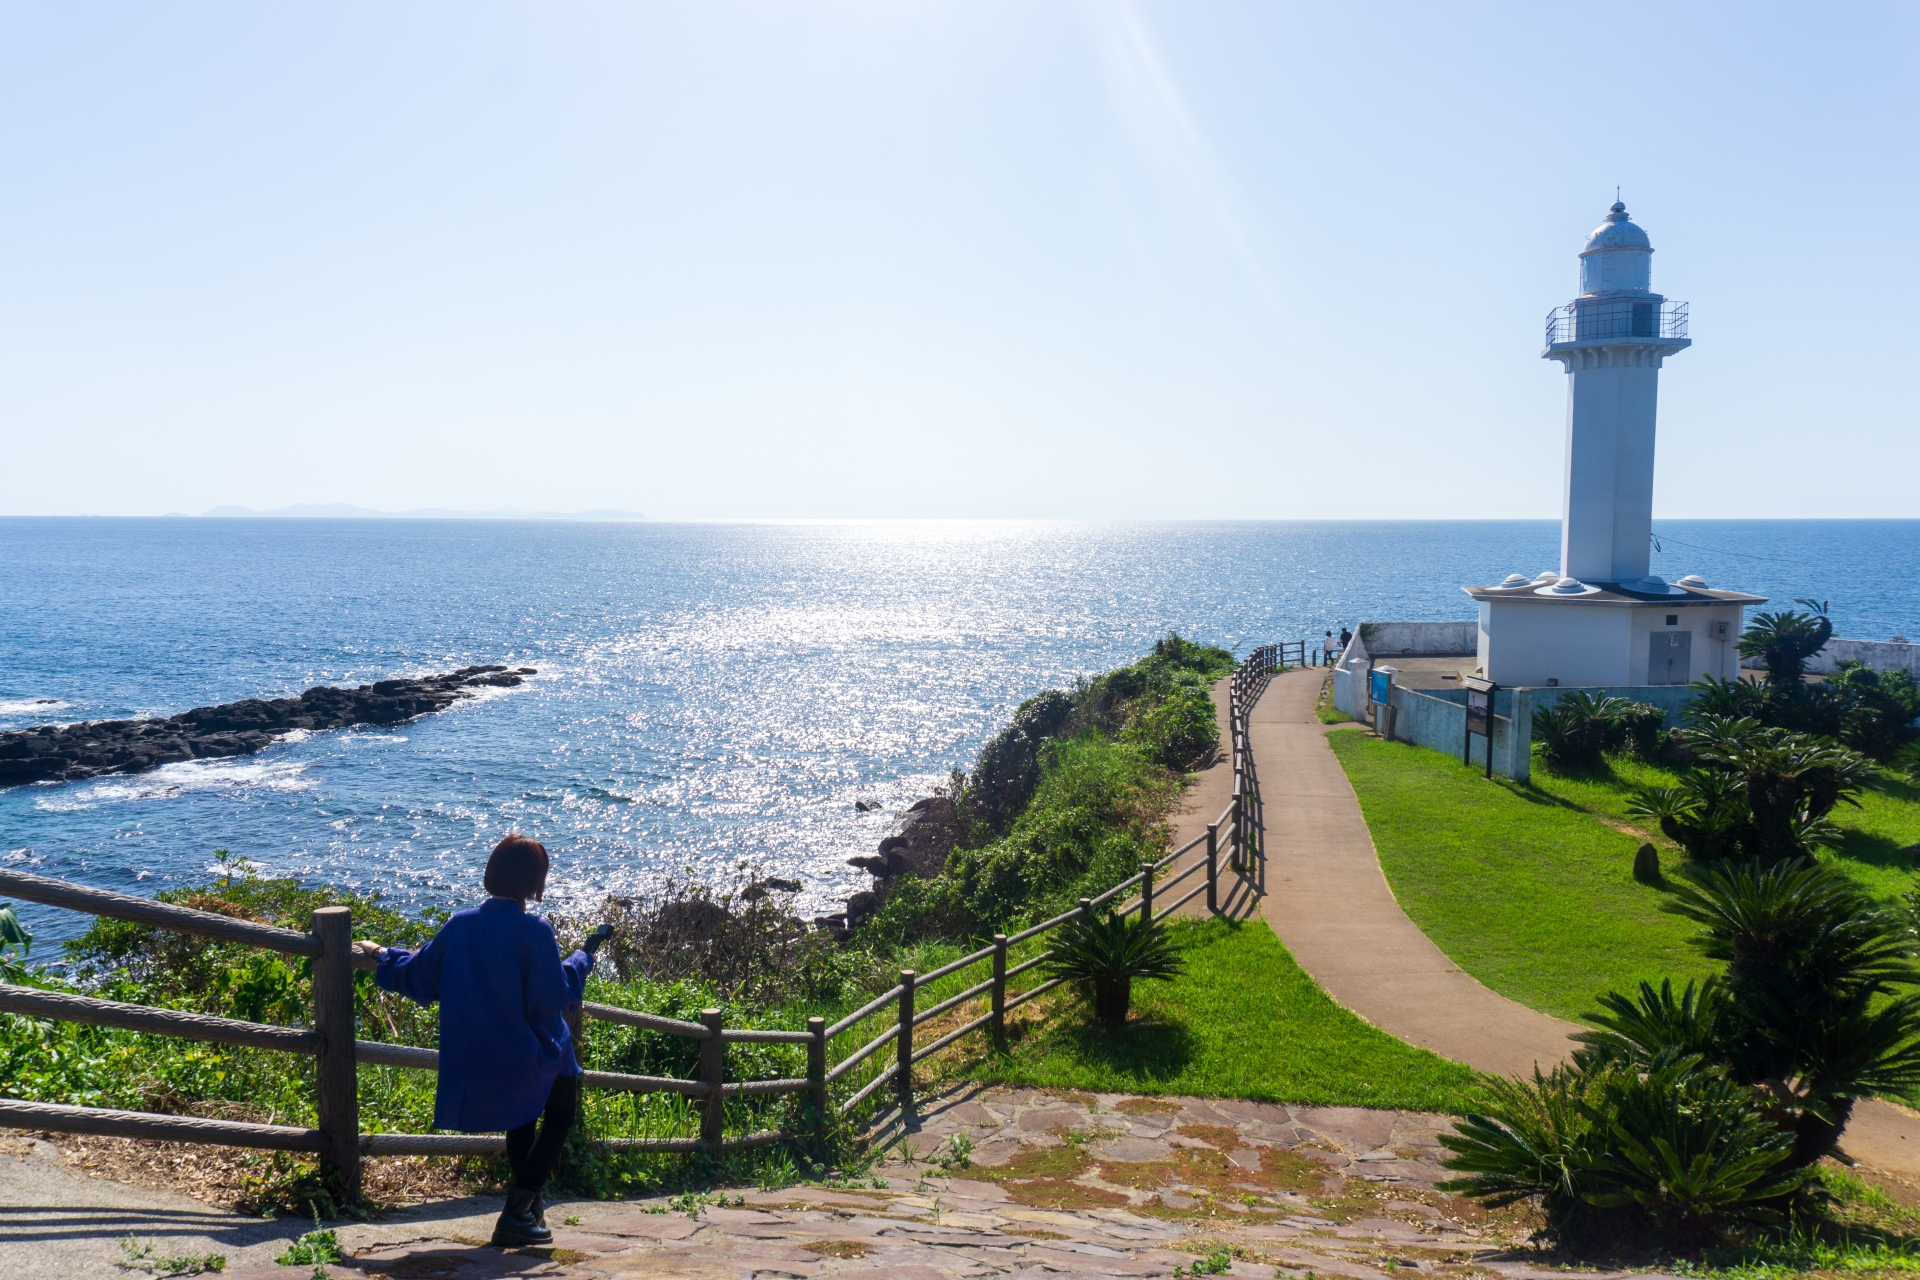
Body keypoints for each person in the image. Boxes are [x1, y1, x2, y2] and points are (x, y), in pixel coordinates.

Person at [356, 835, 604, 1248]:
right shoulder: (535, 930)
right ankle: (516, 1212)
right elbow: (552, 998)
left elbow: (422, 973)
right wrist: (584, 956)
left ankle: (527, 1213)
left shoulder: (461, 923)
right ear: (533, 881)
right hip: (536, 1051)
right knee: (560, 1115)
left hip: (489, 1051)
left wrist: (383, 954)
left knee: (522, 1121)